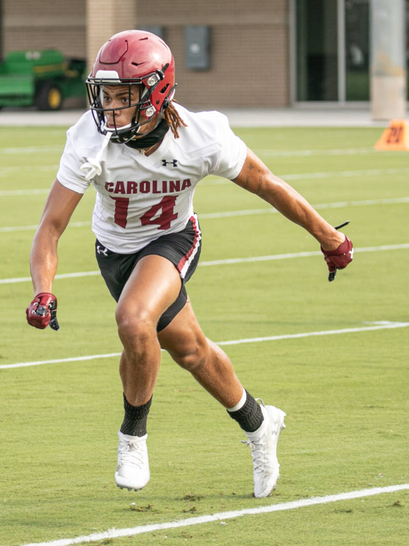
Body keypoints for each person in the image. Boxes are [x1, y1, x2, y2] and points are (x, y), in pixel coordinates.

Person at [26, 30, 353, 498]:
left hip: (173, 239)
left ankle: (132, 438)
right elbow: (50, 227)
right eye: (106, 95)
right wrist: (43, 289)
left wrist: (329, 236)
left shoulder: (201, 137)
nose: (110, 109)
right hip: (113, 253)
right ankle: (260, 424)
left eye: (124, 97)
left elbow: (267, 184)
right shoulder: (88, 139)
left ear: (157, 94)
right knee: (190, 351)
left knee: (134, 320)